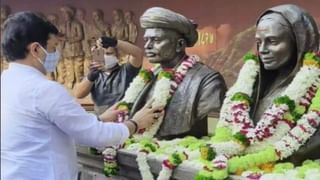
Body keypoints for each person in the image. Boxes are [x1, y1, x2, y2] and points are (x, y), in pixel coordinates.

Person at [1, 11, 163, 179]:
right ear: (35, 49)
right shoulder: (43, 90)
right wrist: (135, 123)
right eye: (53, 48)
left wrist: (99, 120)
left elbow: (51, 126)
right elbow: (95, 135)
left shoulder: (5, 83)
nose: (56, 54)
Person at [129, 7, 227, 139]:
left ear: (179, 45)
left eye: (156, 40)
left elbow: (211, 127)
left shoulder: (207, 80)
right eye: (146, 40)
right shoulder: (148, 77)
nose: (147, 46)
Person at [251, 4, 319, 164]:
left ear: (298, 41)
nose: (262, 50)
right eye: (259, 42)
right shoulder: (254, 86)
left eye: (272, 41)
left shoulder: (316, 91)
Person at [73, 37, 143, 115]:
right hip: (103, 120)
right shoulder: (94, 74)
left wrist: (115, 42)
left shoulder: (126, 71)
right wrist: (90, 77)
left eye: (109, 54)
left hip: (123, 117)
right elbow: (78, 94)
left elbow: (137, 53)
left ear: (118, 56)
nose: (105, 57)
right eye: (102, 54)